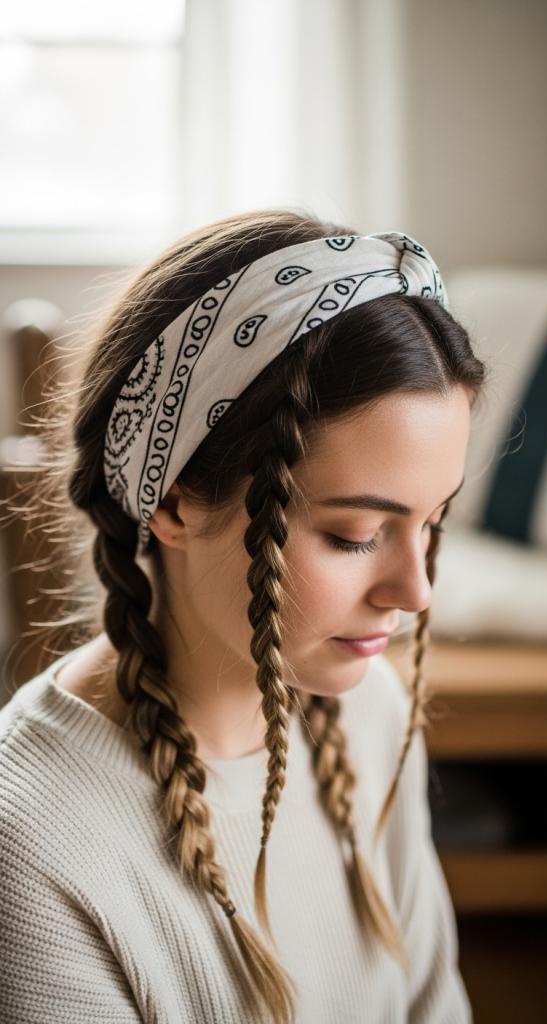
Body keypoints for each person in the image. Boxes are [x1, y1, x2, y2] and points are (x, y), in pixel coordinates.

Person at [0, 211, 484, 1024]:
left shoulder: (370, 715)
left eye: (431, 521)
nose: (414, 591)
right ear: (176, 501)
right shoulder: (33, 844)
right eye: (354, 535)